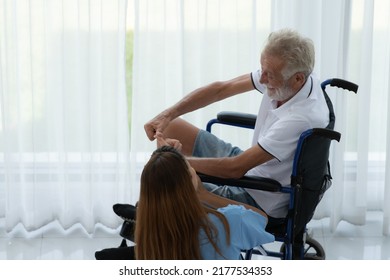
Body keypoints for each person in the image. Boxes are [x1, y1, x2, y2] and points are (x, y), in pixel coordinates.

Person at [144, 28, 330, 227]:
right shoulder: (292, 78)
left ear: (297, 79)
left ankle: (146, 228)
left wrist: (175, 161)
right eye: (262, 69)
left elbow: (235, 168)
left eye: (270, 75)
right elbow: (220, 90)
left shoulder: (301, 118)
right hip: (255, 168)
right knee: (172, 125)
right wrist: (167, 115)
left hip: (260, 194)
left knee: (164, 178)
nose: (262, 79)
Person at [135, 142, 274, 260]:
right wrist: (204, 195)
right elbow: (261, 220)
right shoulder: (228, 222)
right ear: (191, 177)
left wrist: (163, 160)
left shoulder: (148, 238)